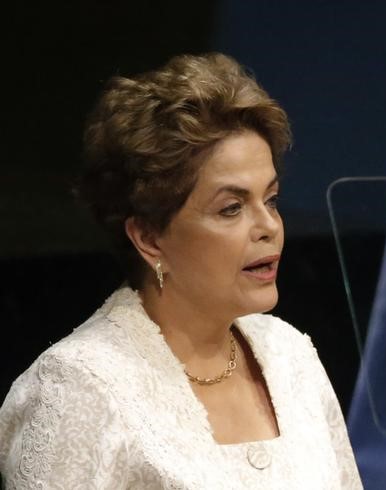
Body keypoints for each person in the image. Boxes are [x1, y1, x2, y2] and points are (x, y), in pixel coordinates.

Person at [0, 53, 363, 489]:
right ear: (150, 238)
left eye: (271, 199)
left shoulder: (291, 357)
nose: (269, 227)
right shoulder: (78, 389)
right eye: (231, 208)